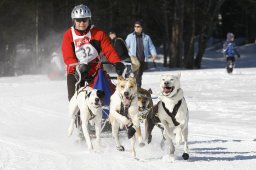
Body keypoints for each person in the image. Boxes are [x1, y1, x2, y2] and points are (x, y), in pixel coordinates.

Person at [61, 4, 125, 138]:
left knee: (104, 92)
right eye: (78, 20)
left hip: (94, 69)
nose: (82, 23)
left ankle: (109, 119)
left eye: (84, 20)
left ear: (89, 20)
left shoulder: (98, 33)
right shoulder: (68, 35)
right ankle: (81, 128)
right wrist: (78, 66)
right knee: (75, 99)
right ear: (74, 21)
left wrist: (117, 62)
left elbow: (108, 50)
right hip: (75, 71)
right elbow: (68, 56)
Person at [125, 20, 157, 88]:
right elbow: (125, 47)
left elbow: (151, 47)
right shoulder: (130, 36)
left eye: (138, 26)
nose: (136, 28)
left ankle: (137, 90)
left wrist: (154, 54)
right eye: (135, 26)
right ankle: (133, 89)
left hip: (142, 59)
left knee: (139, 76)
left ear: (141, 28)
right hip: (133, 60)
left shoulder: (146, 37)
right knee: (134, 75)